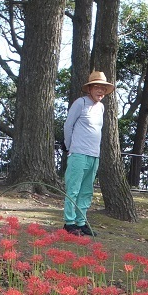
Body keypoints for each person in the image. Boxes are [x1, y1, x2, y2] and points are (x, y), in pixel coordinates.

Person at [63, 71, 115, 235]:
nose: (100, 91)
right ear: (90, 88)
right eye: (97, 87)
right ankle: (69, 223)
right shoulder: (80, 103)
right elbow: (68, 126)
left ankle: (81, 221)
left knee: (86, 190)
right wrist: (69, 146)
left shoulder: (101, 107)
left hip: (94, 154)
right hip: (78, 152)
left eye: (103, 88)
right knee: (73, 189)